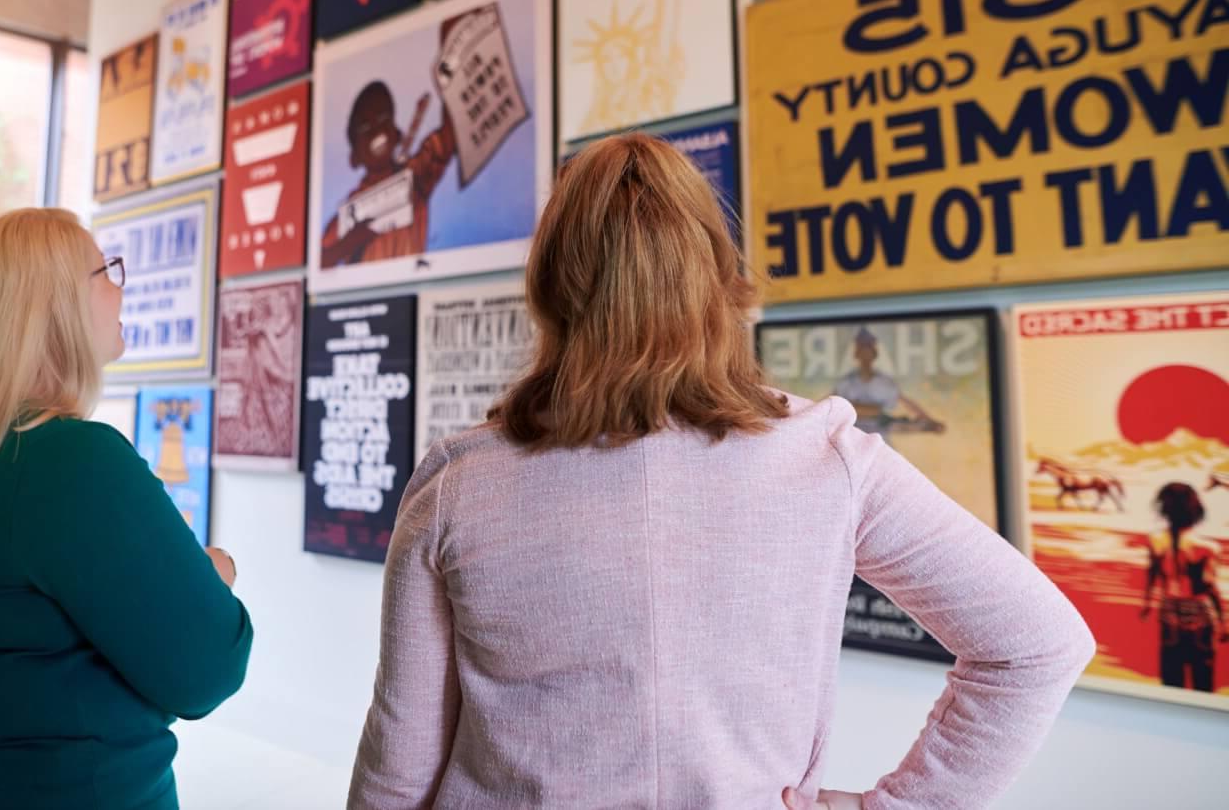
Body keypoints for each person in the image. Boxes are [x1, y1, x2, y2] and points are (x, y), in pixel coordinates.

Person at [348, 134, 1093, 810]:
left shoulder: (459, 484)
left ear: (551, 289)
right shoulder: (827, 457)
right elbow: (1038, 641)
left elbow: (399, 762)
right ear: (718, 278)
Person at [0, 208, 252, 810]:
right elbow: (206, 670)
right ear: (53, 307)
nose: (120, 287)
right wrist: (213, 575)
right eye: (105, 271)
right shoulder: (74, 461)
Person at [320, 79, 455, 268]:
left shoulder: (415, 176)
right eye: (365, 128)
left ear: (397, 134)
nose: (377, 130)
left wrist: (449, 82)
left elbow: (449, 136)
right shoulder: (352, 210)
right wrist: (349, 242)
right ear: (354, 157)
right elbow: (319, 262)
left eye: (384, 119)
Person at [1140, 483, 1225, 691]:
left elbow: (1152, 576)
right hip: (1199, 613)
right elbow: (1210, 586)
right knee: (1203, 678)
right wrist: (1224, 620)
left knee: (1171, 679)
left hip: (1169, 610)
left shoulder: (1156, 541)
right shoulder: (1207, 548)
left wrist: (1147, 604)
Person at [832, 327, 945, 439]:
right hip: (853, 431)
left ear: (874, 353)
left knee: (899, 425)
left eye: (868, 350)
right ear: (857, 354)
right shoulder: (847, 382)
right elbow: (829, 400)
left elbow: (905, 402)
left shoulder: (884, 383)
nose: (865, 355)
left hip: (879, 430)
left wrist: (928, 420)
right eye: (862, 350)